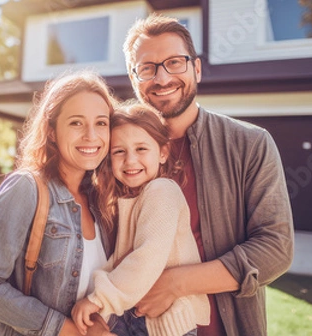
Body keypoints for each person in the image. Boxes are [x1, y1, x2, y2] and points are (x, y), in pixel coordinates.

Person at [122, 14, 294, 336]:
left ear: (196, 69)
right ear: (134, 79)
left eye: (175, 62)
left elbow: (275, 247)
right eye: (147, 68)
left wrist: (175, 284)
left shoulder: (249, 144)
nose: (161, 78)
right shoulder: (114, 151)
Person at [0, 70, 118, 336]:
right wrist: (64, 329)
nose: (92, 136)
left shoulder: (100, 200)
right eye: (76, 123)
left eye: (101, 123)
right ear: (52, 131)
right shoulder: (26, 188)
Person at [71, 103, 210, 336]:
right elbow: (120, 260)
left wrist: (98, 300)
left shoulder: (162, 190)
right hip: (136, 317)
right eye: (119, 151)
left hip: (166, 324)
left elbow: (147, 256)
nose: (130, 161)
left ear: (163, 152)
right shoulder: (129, 200)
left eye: (141, 149)